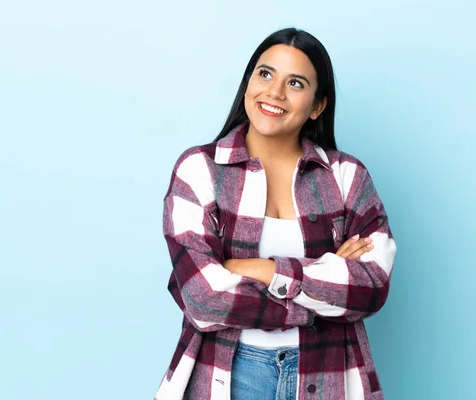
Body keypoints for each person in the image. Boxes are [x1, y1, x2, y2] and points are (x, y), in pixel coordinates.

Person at [154, 27, 396, 400]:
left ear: (317, 105)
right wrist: (321, 297)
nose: (275, 93)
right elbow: (203, 298)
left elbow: (372, 286)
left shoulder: (347, 178)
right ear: (248, 82)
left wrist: (263, 269)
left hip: (327, 373)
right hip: (229, 375)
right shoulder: (199, 170)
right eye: (265, 74)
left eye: (295, 83)